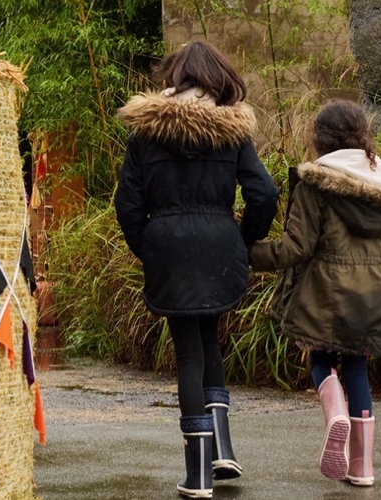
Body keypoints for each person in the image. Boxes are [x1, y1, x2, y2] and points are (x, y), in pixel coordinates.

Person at [114, 41, 279, 499]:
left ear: (174, 78)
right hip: (220, 244)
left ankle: (199, 474)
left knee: (190, 351)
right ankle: (222, 448)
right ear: (219, 79)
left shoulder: (146, 133)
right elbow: (263, 193)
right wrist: (241, 242)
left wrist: (149, 248)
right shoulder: (233, 131)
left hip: (167, 246)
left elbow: (127, 205)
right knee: (209, 339)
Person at [248, 99, 381, 487]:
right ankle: (362, 468)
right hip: (378, 297)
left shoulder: (316, 183)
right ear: (362, 136)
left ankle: (335, 415)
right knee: (358, 368)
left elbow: (296, 248)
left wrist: (246, 252)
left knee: (321, 362)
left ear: (321, 139)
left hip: (326, 296)